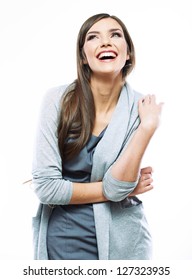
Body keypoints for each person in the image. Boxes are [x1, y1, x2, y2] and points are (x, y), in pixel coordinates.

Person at [32, 13, 163, 260]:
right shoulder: (57, 101)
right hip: (64, 243)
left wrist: (147, 128)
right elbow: (47, 188)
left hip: (126, 244)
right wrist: (121, 190)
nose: (105, 42)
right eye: (93, 37)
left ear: (128, 54)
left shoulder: (140, 108)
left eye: (115, 35)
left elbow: (119, 186)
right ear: (83, 56)